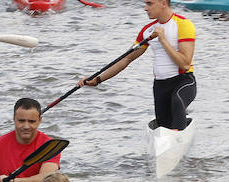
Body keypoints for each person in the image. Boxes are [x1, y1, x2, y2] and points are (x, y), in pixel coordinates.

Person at [79, 0, 196, 132]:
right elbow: (126, 59)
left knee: (177, 101)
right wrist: (97, 80)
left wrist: (163, 40)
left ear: (163, 3)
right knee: (163, 124)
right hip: (160, 86)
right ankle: (174, 130)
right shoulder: (147, 31)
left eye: (149, 3)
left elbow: (185, 64)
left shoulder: (183, 25)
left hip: (183, 82)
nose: (145, 8)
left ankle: (179, 132)